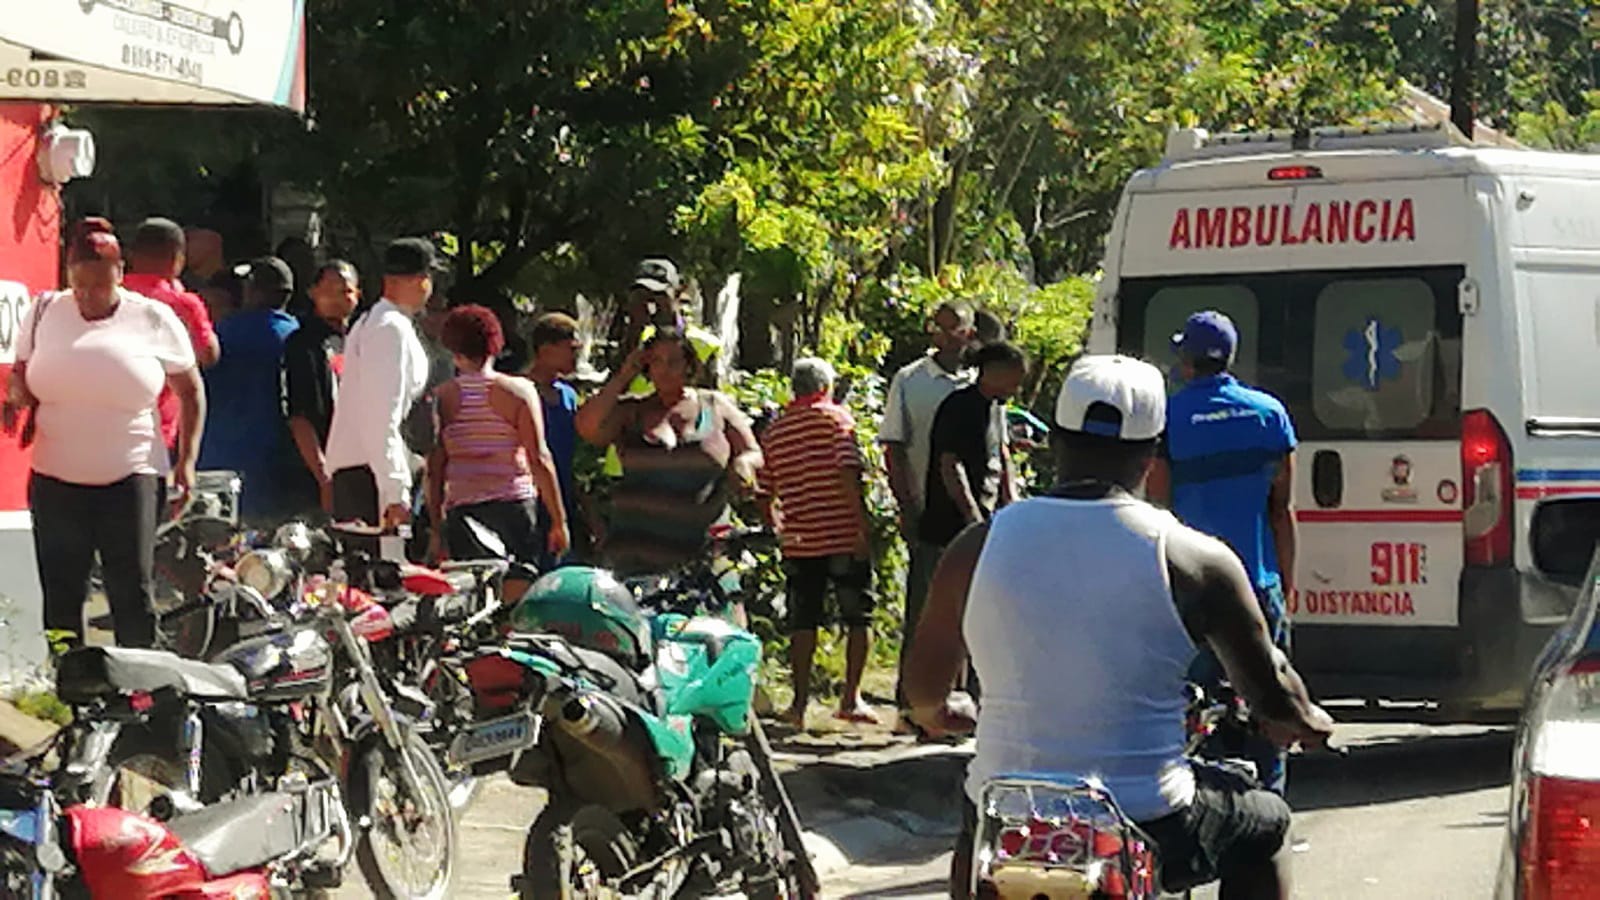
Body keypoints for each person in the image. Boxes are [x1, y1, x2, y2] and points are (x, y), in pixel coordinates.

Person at [902, 355, 1334, 900]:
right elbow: (1271, 696)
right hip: (1150, 819)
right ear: (1154, 452)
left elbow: (922, 695)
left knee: (979, 826)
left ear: (1054, 439)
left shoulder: (976, 547)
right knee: (1265, 820)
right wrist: (1307, 721)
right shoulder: (1194, 559)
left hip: (1008, 821)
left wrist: (945, 712)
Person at [1, 218, 205, 648]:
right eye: (79, 285)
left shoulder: (151, 317)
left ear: (120, 273)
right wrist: (16, 395)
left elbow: (191, 391)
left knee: (131, 592)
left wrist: (185, 461)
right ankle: (67, 689)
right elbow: (21, 374)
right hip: (55, 479)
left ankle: (141, 691)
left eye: (100, 285)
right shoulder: (43, 313)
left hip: (130, 476)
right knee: (61, 595)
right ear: (68, 277)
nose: (89, 296)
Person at [1148, 310, 1299, 795]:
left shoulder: (1168, 419)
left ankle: (1199, 812)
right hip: (1258, 585)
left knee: (1192, 715)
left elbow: (1157, 506)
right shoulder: (1269, 414)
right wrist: (1284, 592)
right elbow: (1281, 511)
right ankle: (1269, 814)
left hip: (1189, 592)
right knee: (1268, 709)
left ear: (1186, 359)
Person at [576, 329, 762, 577]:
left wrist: (744, 464)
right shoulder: (630, 411)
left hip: (705, 558)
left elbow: (752, 451)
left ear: (689, 365)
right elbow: (586, 427)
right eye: (656, 361)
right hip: (635, 557)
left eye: (674, 361)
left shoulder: (715, 405)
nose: (665, 369)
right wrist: (622, 377)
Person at [758, 358, 876, 728]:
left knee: (803, 620)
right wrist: (861, 527)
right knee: (858, 615)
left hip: (799, 537)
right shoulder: (837, 420)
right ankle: (851, 698)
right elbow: (846, 472)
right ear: (825, 387)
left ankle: (798, 705)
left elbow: (764, 487)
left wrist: (775, 523)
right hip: (841, 532)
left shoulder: (776, 430)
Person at [880, 301, 976, 716]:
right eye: (939, 328)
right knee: (923, 607)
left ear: (970, 334)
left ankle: (966, 698)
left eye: (955, 329)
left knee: (975, 608)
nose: (945, 335)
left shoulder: (980, 382)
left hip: (975, 517)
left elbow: (999, 451)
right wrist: (908, 505)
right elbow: (894, 447)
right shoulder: (911, 380)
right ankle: (912, 702)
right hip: (928, 515)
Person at [425, 305, 570, 566]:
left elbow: (435, 468)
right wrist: (559, 521)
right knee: (516, 590)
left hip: (464, 511)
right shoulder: (519, 392)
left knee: (473, 599)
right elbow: (539, 458)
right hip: (514, 506)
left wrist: (436, 529)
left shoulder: (442, 397)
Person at [323, 237, 436, 556]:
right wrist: (394, 490)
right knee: (380, 584)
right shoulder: (389, 328)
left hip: (371, 470)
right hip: (371, 477)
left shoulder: (378, 322)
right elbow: (380, 416)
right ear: (421, 280)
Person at [197, 258, 300, 524]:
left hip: (219, 461)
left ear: (252, 290)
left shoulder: (222, 334)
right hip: (279, 463)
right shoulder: (298, 338)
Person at [123, 218, 221, 476]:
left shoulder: (110, 293)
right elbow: (208, 354)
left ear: (132, 255)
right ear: (178, 258)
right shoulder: (182, 304)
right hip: (157, 432)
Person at [920, 342, 1025, 552]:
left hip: (987, 521)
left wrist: (1011, 499)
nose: (1018, 388)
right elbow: (950, 464)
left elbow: (1001, 453)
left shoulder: (996, 408)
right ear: (996, 373)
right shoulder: (959, 406)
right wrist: (971, 516)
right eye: (1016, 379)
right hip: (950, 530)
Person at [283, 260, 361, 515]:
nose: (338, 298)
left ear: (357, 295)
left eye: (346, 291)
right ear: (312, 292)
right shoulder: (303, 343)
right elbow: (300, 416)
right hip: (315, 473)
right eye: (329, 290)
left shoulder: (362, 339)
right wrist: (323, 475)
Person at [525, 312, 586, 563]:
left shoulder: (568, 395)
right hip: (531, 498)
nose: (576, 357)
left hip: (564, 496)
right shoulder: (521, 391)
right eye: (570, 349)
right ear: (546, 349)